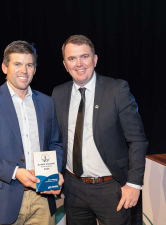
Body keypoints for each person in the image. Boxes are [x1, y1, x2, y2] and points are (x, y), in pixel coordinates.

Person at [0, 41, 63, 225]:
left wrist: (54, 170)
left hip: (42, 199)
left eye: (29, 65)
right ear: (4, 67)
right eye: (17, 64)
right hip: (1, 200)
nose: (24, 71)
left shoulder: (46, 102)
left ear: (35, 69)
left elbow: (55, 143)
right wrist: (15, 172)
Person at [52, 35, 148, 225]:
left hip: (111, 189)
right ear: (65, 65)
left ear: (95, 60)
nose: (79, 63)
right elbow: (56, 140)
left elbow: (137, 140)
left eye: (84, 56)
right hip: (73, 189)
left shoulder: (117, 90)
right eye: (72, 59)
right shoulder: (58, 94)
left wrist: (134, 184)